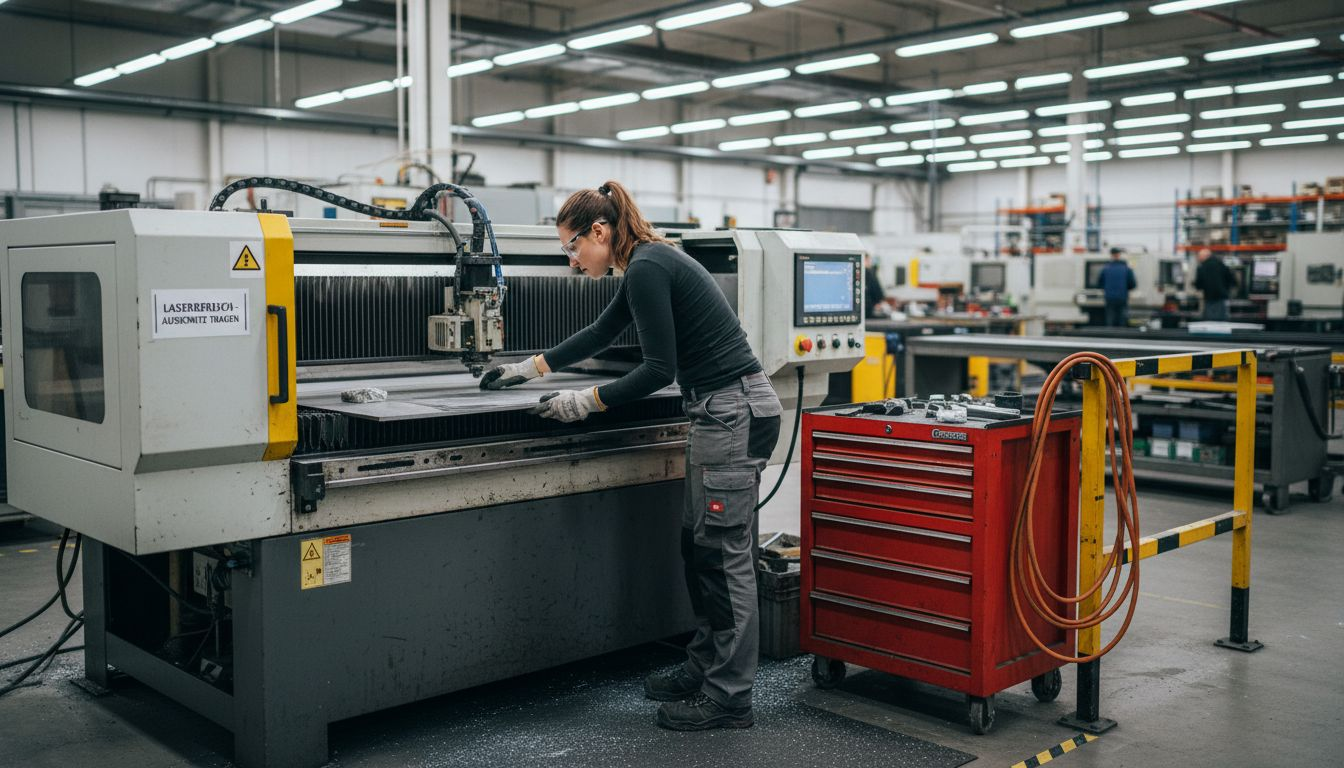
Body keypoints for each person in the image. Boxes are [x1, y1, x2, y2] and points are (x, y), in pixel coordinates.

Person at [479, 180, 781, 731]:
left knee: (723, 556)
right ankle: (705, 666)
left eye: (573, 247)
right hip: (718, 413)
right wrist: (530, 368)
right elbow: (603, 331)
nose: (572, 262)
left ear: (600, 232)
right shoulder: (647, 261)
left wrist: (583, 402)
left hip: (732, 414)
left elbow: (657, 370)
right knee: (698, 549)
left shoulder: (648, 266)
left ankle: (730, 697)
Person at [1193, 247, 1236, 321]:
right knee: (1222, 322)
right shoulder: (1221, 265)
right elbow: (1232, 281)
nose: (1199, 258)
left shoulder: (1202, 267)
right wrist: (1226, 289)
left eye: (1199, 256)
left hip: (1209, 299)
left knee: (1209, 322)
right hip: (1222, 298)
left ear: (1205, 256)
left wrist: (1194, 284)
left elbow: (1199, 285)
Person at [1096, 247, 1136, 327]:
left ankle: (1109, 334)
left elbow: (1099, 283)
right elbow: (1132, 284)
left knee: (1110, 317)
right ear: (1119, 255)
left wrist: (1107, 289)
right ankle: (1122, 335)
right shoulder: (1127, 269)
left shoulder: (1105, 269)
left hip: (1109, 297)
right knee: (1122, 317)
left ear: (1111, 255)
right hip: (1122, 296)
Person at [863, 253, 887, 319]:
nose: (870, 263)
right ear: (866, 260)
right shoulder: (869, 272)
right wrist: (879, 301)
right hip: (868, 308)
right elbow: (876, 289)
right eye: (868, 260)